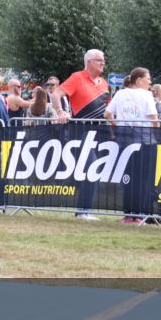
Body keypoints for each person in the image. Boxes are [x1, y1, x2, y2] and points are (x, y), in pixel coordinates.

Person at [51, 49, 111, 221]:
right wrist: (60, 111)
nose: (103, 63)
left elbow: (107, 109)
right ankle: (83, 211)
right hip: (81, 131)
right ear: (89, 62)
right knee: (90, 167)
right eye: (99, 60)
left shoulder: (104, 83)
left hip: (100, 133)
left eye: (103, 60)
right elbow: (55, 94)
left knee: (94, 170)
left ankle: (85, 210)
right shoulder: (77, 77)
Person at [104, 67, 160, 223]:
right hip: (145, 142)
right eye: (148, 79)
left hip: (125, 142)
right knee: (144, 179)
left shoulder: (120, 94)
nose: (150, 82)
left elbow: (107, 114)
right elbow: (154, 119)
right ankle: (140, 214)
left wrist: (118, 125)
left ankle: (128, 214)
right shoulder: (146, 95)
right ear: (139, 80)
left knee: (128, 178)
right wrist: (157, 133)